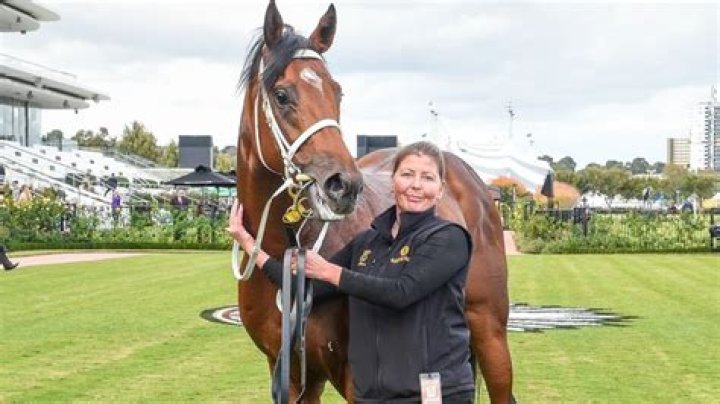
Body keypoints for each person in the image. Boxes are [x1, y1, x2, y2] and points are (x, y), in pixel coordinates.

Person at [228, 141, 476, 402]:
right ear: (393, 182)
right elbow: (302, 288)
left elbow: (401, 292)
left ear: (440, 190)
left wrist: (330, 271)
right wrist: (249, 243)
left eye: (427, 178)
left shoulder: (449, 238)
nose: (416, 185)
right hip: (373, 394)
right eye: (407, 174)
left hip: (431, 392)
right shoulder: (367, 242)